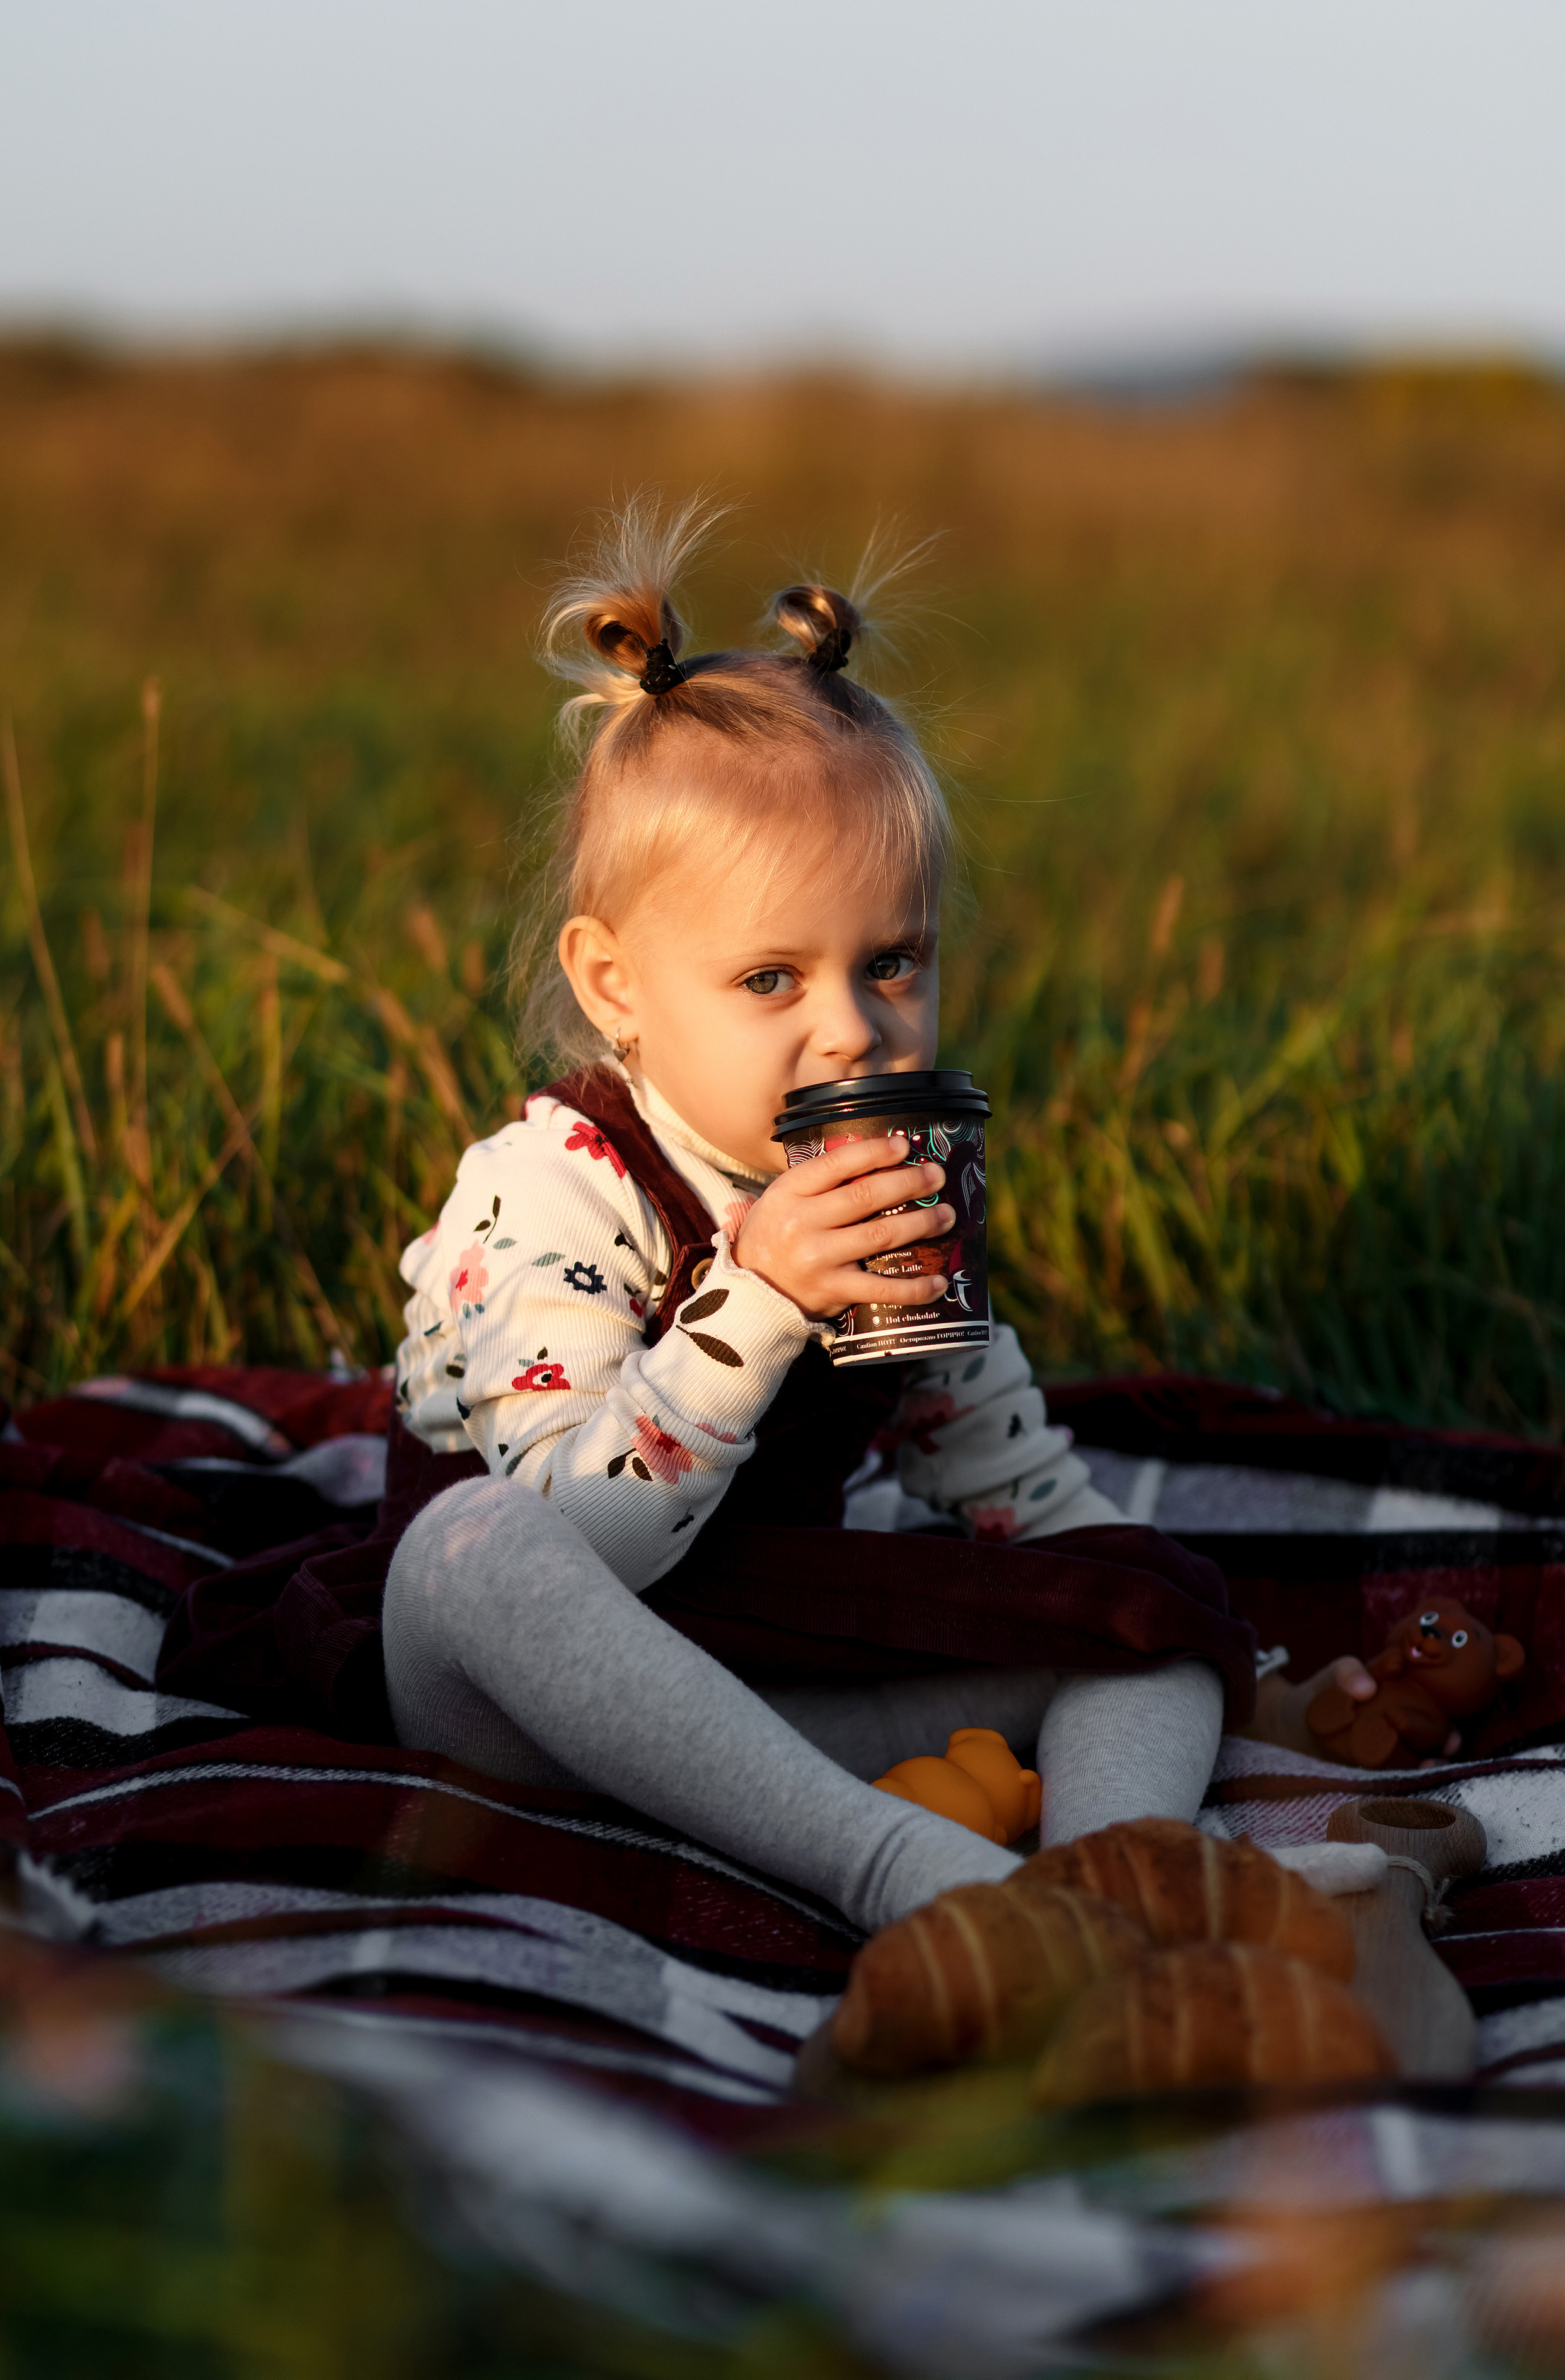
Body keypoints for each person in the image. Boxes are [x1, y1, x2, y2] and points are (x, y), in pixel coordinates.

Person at [383, 500, 1255, 1934]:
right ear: (615, 987)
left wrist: (1215, 1647)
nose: (855, 1030)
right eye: (771, 980)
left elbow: (1021, 1500)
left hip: (764, 1698)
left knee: (1140, 1622)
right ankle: (911, 1879)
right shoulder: (548, 1188)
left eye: (892, 962)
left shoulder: (892, 1199)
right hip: (524, 1703)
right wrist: (761, 1297)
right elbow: (578, 1546)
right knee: (470, 1553)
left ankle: (1114, 1906)